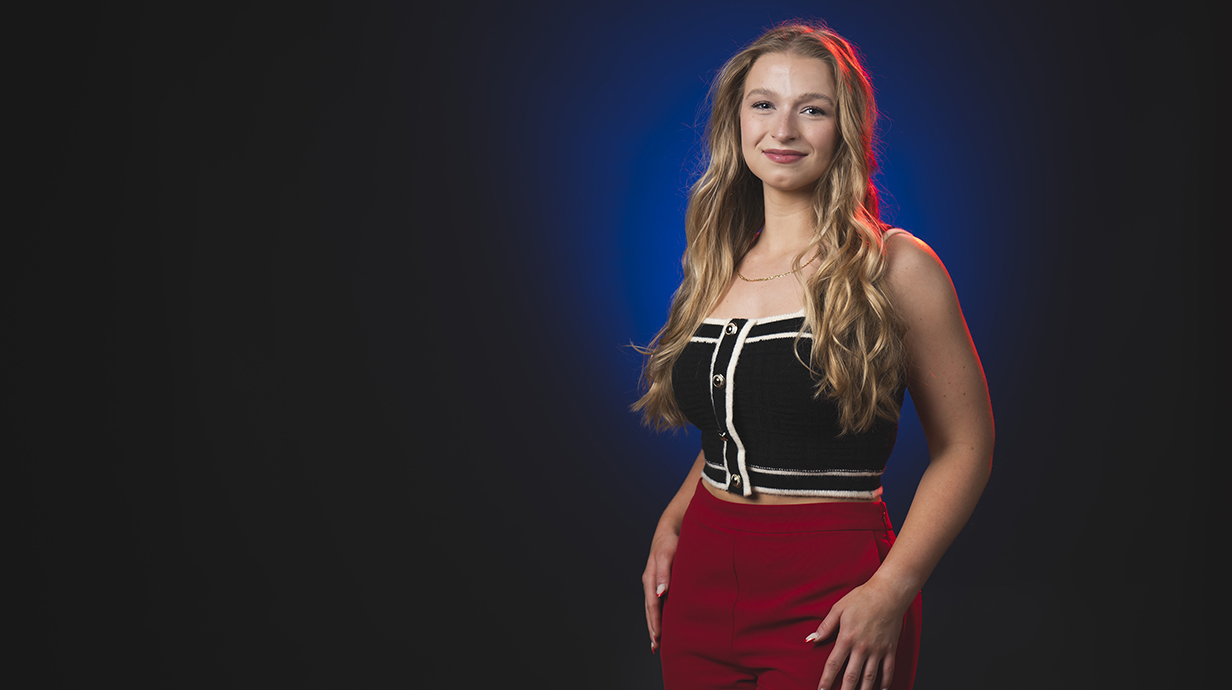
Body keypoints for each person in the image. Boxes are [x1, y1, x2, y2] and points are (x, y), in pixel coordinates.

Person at [633, 22, 994, 690]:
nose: (785, 129)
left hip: (833, 591)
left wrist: (893, 589)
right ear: (736, 123)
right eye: (764, 104)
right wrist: (676, 517)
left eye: (813, 108)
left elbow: (967, 445)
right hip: (703, 584)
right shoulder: (716, 263)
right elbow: (747, 422)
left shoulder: (896, 266)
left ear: (845, 127)